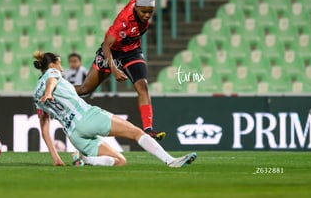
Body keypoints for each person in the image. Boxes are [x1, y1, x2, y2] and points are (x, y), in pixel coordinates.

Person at [33, 51, 197, 167]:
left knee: (119, 161)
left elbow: (44, 127)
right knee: (136, 132)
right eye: (60, 65)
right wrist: (48, 92)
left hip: (73, 134)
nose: (62, 69)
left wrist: (56, 158)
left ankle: (85, 159)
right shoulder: (52, 73)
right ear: (53, 64)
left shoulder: (35, 95)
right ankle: (170, 161)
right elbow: (52, 81)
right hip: (87, 117)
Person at [75, 0, 170, 140]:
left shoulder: (143, 0)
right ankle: (56, 90)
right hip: (112, 53)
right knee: (84, 90)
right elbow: (106, 46)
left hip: (132, 50)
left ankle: (148, 129)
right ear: (136, 7)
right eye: (144, 12)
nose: (147, 15)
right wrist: (114, 68)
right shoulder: (124, 21)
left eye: (150, 12)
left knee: (143, 87)